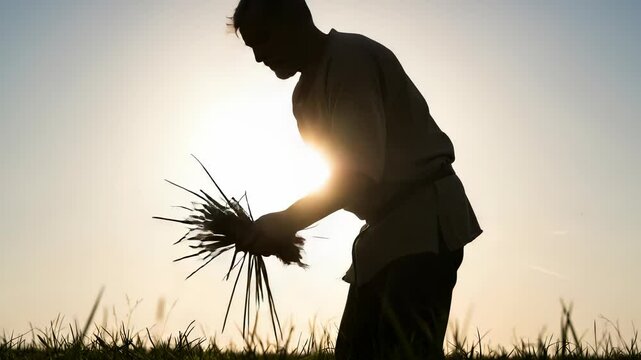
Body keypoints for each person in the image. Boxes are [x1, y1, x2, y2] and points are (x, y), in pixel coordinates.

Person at [231, 1, 482, 359]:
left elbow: (358, 176)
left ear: (295, 21)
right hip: (379, 233)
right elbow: (342, 177)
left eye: (263, 39)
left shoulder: (350, 60)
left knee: (405, 350)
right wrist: (284, 230)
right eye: (251, 46)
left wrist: (287, 221)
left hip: (421, 220)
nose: (259, 57)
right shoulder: (303, 97)